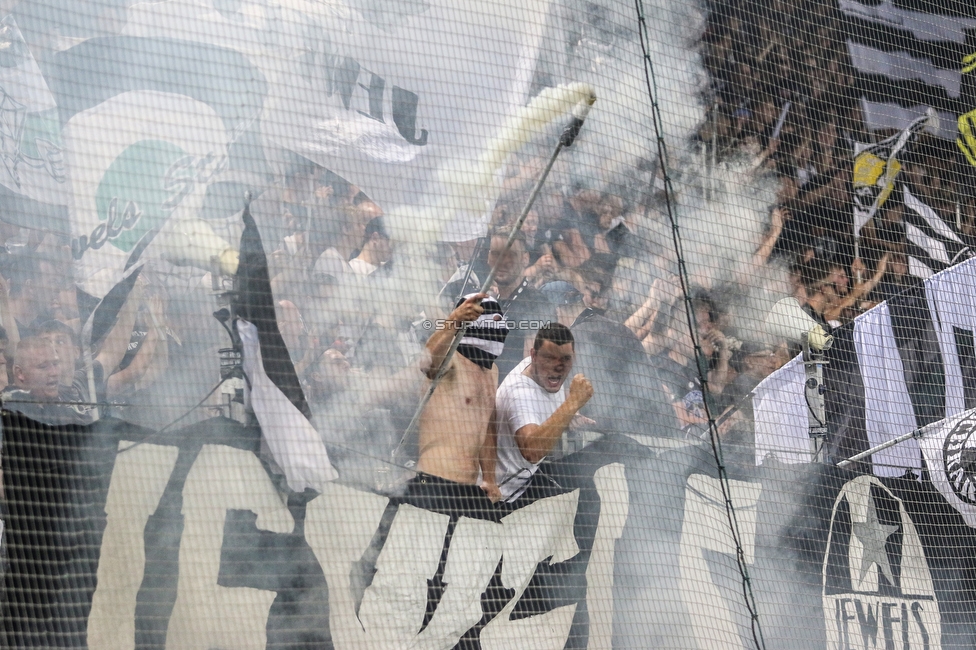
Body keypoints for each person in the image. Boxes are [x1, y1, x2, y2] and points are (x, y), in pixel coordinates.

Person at [543, 280, 679, 439]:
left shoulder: (574, 339)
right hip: (666, 431)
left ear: (557, 312)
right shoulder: (617, 329)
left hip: (627, 441)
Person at [415, 292, 509, 504]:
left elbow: (486, 428)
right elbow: (427, 364)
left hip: (468, 490)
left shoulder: (492, 370)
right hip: (433, 483)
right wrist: (454, 319)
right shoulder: (451, 358)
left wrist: (490, 479)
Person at [493, 323, 593, 503]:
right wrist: (572, 403)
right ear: (534, 356)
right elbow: (532, 452)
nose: (558, 367)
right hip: (507, 495)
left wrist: (570, 416)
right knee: (588, 489)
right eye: (549, 358)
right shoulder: (520, 394)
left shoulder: (542, 372)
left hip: (528, 479)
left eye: (565, 359)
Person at [487, 226, 556, 381]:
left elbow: (531, 369)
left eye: (510, 255)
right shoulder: (488, 303)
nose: (502, 262)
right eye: (495, 254)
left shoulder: (535, 303)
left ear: (525, 258)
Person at [2, 337, 93, 425]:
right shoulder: (6, 411)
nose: (54, 372)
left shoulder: (63, 412)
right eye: (43, 366)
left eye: (56, 363)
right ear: (20, 373)